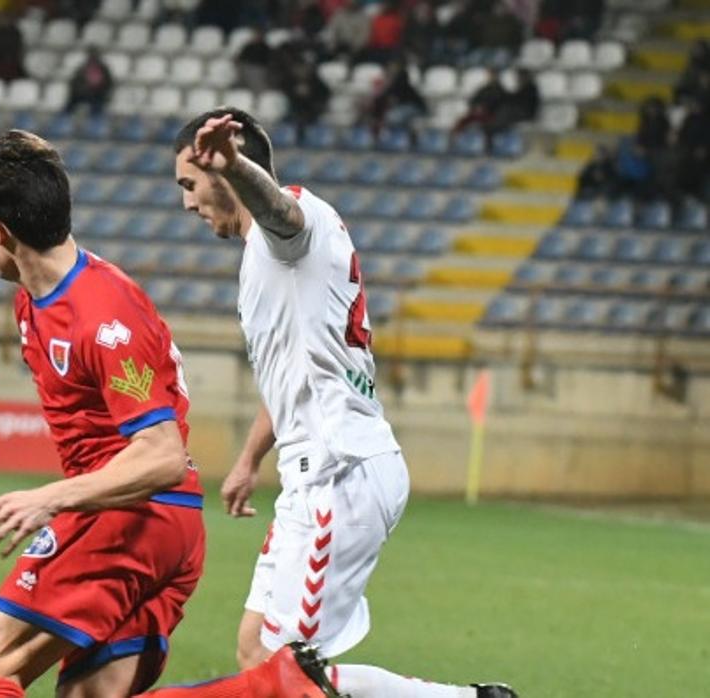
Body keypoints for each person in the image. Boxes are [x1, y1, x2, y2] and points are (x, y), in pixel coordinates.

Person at [0, 129, 335, 698]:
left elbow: (161, 457)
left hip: (133, 515)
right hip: (154, 521)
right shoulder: (41, 294)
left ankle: (266, 691)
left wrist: (48, 498)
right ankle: (267, 689)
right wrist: (30, 156)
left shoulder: (101, 317)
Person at [172, 108, 518, 698]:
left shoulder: (291, 229)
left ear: (228, 173)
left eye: (191, 183)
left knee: (285, 675)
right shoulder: (270, 260)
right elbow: (291, 378)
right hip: (319, 472)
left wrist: (234, 166)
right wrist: (251, 458)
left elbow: (280, 210)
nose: (186, 202)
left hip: (339, 473)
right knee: (258, 649)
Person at [63, 47, 114, 116]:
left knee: (97, 107)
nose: (92, 57)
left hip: (98, 95)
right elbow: (75, 82)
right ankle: (65, 117)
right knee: (70, 104)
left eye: (94, 54)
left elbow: (108, 84)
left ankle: (95, 121)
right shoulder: (83, 68)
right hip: (83, 94)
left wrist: (104, 93)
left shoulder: (103, 68)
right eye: (91, 54)